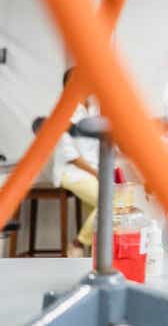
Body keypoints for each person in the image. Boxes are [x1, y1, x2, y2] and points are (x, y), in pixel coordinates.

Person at [41, 67, 100, 257]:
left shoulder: (91, 110)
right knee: (110, 200)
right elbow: (71, 156)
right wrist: (97, 173)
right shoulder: (64, 112)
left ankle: (95, 256)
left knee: (98, 209)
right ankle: (78, 243)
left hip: (91, 171)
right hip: (71, 172)